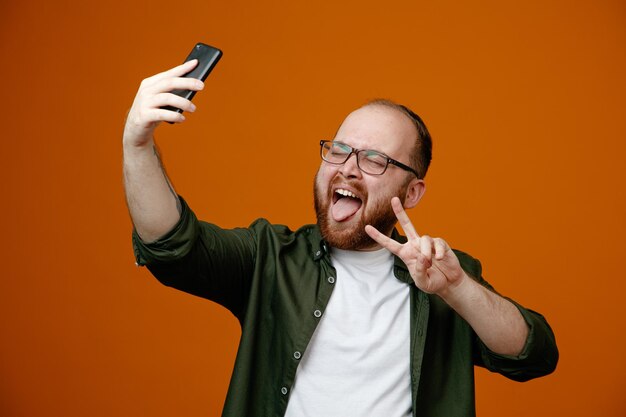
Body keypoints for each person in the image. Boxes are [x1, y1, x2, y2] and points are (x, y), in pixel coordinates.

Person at [123, 59, 558, 417]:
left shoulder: (444, 276)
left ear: (412, 191)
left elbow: (534, 355)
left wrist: (459, 290)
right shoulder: (271, 259)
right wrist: (138, 146)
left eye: (374, 159)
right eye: (338, 149)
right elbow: (172, 248)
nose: (347, 168)